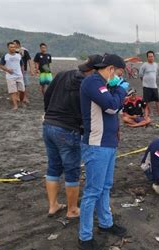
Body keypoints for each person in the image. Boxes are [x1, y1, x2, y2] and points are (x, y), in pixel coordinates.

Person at [78, 54, 129, 250]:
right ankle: (85, 237)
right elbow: (112, 106)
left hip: (108, 143)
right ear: (110, 68)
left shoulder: (105, 84)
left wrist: (117, 91)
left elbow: (112, 103)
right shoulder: (93, 82)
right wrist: (121, 90)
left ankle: (106, 223)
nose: (119, 77)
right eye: (119, 73)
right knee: (93, 190)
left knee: (105, 186)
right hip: (96, 144)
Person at [43, 54, 102, 220]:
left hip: (49, 125)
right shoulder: (86, 84)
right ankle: (72, 209)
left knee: (53, 166)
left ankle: (53, 205)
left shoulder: (63, 74)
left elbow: (47, 96)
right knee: (72, 170)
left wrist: (49, 114)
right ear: (94, 70)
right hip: (68, 129)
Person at [0, 41, 25, 111]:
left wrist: (22, 73)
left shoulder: (18, 55)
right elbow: (1, 65)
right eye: (11, 47)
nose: (13, 48)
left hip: (19, 75)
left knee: (22, 90)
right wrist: (7, 69)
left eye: (14, 47)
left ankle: (21, 102)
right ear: (8, 48)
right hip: (10, 76)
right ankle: (15, 105)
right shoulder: (5, 56)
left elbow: (22, 64)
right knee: (13, 91)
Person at [139, 50, 159, 116]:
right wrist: (144, 82)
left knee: (157, 99)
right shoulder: (144, 65)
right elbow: (140, 75)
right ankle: (149, 112)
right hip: (146, 85)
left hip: (154, 85)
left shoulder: (156, 65)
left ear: (154, 57)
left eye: (152, 56)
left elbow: (156, 74)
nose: (151, 58)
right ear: (147, 57)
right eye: (149, 57)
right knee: (147, 100)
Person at [14, 39, 34, 104]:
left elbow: (29, 60)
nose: (13, 45)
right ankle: (17, 96)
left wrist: (31, 70)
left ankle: (24, 97)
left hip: (23, 70)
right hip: (15, 71)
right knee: (16, 84)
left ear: (18, 44)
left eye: (14, 44)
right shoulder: (12, 51)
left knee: (24, 84)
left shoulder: (24, 51)